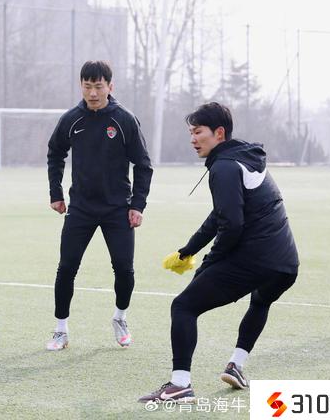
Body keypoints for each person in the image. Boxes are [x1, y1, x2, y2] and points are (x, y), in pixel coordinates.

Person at [139, 102, 298, 403]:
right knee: (261, 300)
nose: (193, 139)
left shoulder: (224, 167)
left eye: (198, 132)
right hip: (285, 264)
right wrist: (188, 250)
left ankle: (180, 384)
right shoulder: (243, 157)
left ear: (219, 133)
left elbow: (232, 225)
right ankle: (236, 365)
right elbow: (221, 215)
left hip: (256, 258)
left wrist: (208, 264)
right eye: (191, 133)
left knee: (183, 307)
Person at [45, 60, 153, 351]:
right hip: (81, 208)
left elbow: (143, 165)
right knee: (67, 267)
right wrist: (56, 193)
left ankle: (120, 318)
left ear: (110, 86)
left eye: (98, 86)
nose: (92, 93)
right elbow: (55, 153)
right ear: (81, 86)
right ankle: (60, 330)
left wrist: (138, 205)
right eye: (87, 86)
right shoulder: (71, 120)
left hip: (118, 208)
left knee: (124, 269)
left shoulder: (124, 120)